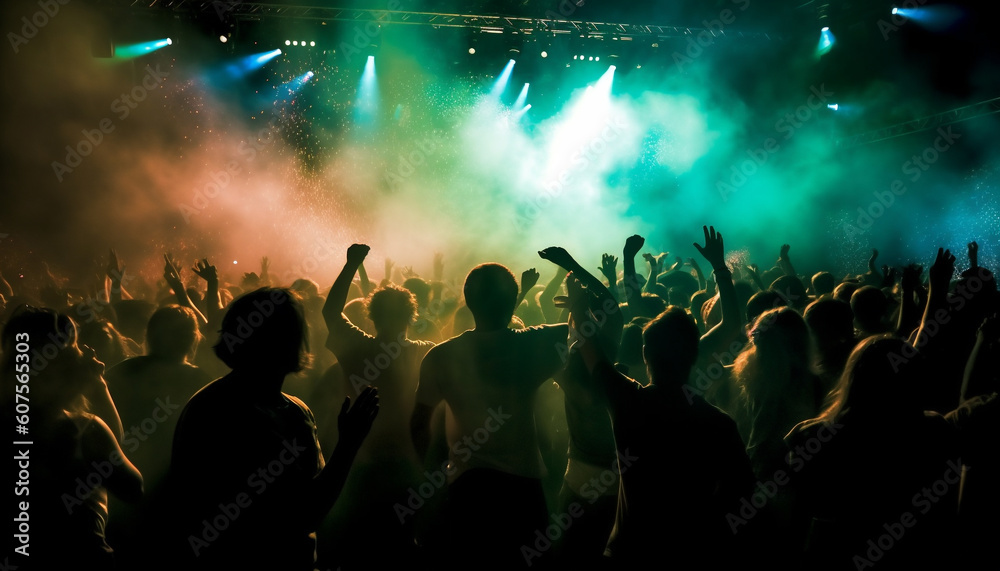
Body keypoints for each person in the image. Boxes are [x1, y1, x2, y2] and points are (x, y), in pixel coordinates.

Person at [569, 226, 756, 569]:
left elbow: (588, 347)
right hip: (691, 556)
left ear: (644, 354)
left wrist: (579, 306)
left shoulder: (627, 400)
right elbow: (732, 323)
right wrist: (719, 267)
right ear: (695, 354)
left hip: (629, 553)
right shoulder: (719, 424)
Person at [165, 287, 379, 570]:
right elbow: (305, 514)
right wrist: (348, 444)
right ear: (283, 342)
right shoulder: (232, 412)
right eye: (295, 330)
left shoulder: (219, 404)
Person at [410, 262, 569, 569]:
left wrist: (434, 480)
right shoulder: (533, 344)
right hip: (522, 489)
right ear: (513, 300)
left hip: (468, 488)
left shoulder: (440, 356)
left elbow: (419, 423)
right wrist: (576, 296)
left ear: (467, 301)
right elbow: (595, 328)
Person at [320, 244, 435, 570]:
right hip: (408, 460)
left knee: (354, 545)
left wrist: (351, 264)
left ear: (371, 315)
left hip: (356, 459)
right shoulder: (425, 353)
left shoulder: (355, 347)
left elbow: (331, 312)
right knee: (400, 545)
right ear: (411, 317)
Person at [2, 306, 142, 570]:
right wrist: (99, 390)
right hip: (80, 563)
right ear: (60, 359)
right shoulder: (83, 429)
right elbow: (131, 487)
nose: (86, 350)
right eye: (76, 344)